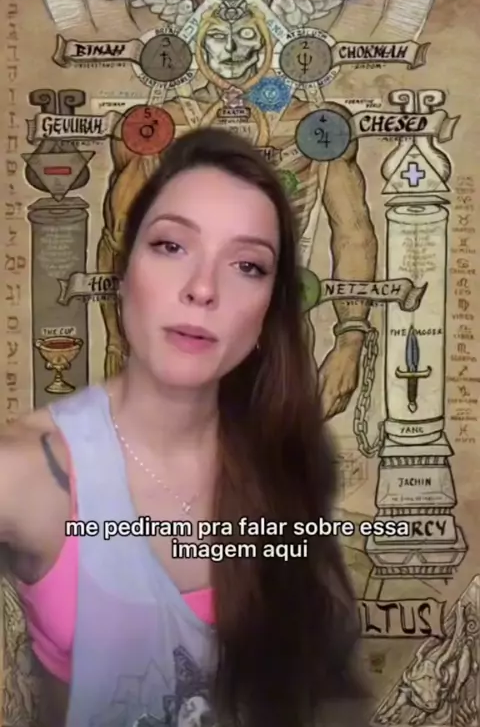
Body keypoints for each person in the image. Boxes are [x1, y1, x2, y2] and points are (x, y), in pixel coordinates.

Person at [0, 128, 367, 727]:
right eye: (171, 246)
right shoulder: (23, 470)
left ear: (268, 312)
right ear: (122, 275)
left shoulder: (287, 463)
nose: (202, 289)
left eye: (247, 265)